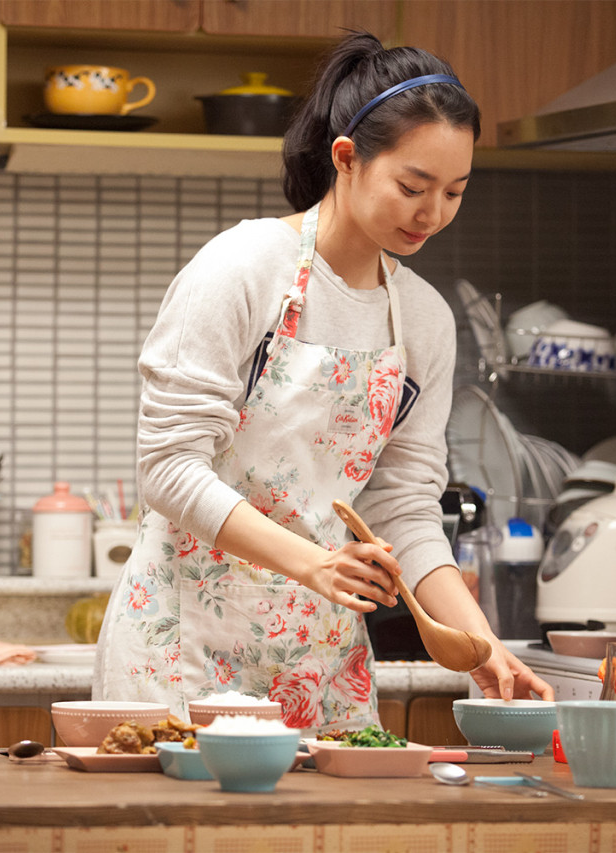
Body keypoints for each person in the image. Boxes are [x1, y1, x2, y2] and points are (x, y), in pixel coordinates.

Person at [94, 32, 553, 731]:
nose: (432, 214)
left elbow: (404, 503)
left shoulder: (424, 320)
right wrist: (313, 563)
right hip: (183, 651)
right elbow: (169, 468)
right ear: (346, 158)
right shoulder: (242, 268)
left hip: (318, 664)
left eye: (454, 192)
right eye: (412, 187)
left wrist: (481, 642)